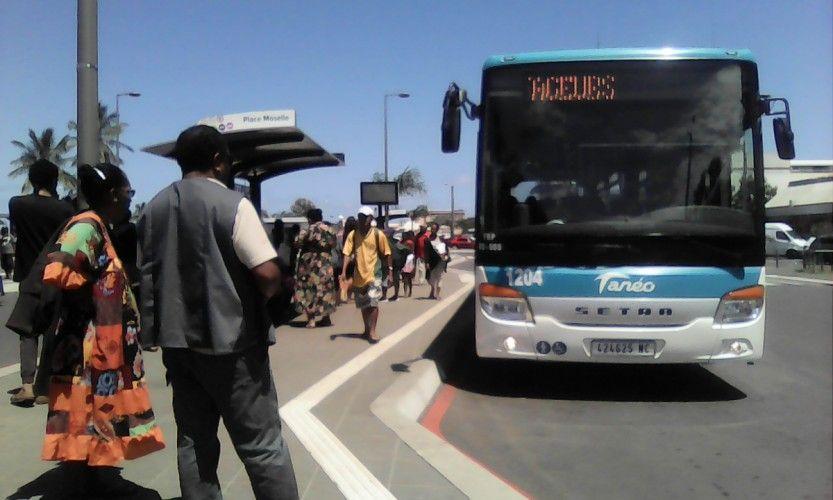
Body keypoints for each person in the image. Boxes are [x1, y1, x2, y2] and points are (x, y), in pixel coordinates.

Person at [137, 125, 298, 499]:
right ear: (218, 161)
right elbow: (267, 273)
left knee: (194, 443)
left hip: (178, 347)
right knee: (261, 447)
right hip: (234, 349)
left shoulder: (154, 208)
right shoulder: (232, 204)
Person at [39, 164, 165, 491]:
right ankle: (80, 485)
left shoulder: (101, 227)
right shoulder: (88, 226)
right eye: (128, 194)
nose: (129, 200)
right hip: (88, 347)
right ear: (112, 194)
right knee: (83, 412)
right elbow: (61, 267)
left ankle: (90, 478)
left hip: (99, 348)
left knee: (93, 414)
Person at [8, 159, 74, 406]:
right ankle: (45, 386)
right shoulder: (65, 211)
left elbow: (16, 231)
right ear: (55, 180)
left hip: (27, 272)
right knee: (51, 329)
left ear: (32, 180)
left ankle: (27, 384)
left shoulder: (17, 204)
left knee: (27, 330)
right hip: (54, 273)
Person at [340, 206, 393, 344]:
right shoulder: (353, 235)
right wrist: (344, 271)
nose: (362, 219)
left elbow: (387, 253)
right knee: (364, 304)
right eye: (360, 216)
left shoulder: (377, 234)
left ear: (371, 218)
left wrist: (390, 272)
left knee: (373, 302)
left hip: (374, 274)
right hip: (359, 275)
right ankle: (366, 329)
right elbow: (346, 253)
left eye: (365, 216)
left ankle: (373, 331)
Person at [293, 208, 337, 328]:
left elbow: (297, 243)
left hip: (309, 265)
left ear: (309, 218)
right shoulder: (330, 230)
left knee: (309, 290)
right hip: (325, 264)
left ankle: (311, 320)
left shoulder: (307, 230)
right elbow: (334, 244)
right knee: (325, 290)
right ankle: (326, 318)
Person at [426, 223, 450, 300]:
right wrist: (426, 262)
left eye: (434, 229)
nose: (432, 230)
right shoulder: (428, 239)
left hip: (440, 262)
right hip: (431, 262)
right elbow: (426, 252)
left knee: (439, 278)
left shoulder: (441, 240)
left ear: (437, 230)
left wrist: (446, 257)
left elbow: (446, 250)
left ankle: (437, 294)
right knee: (430, 279)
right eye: (431, 228)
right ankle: (432, 291)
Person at [339, 216, 358, 302]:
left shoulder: (344, 234)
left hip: (345, 258)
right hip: (354, 257)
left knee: (349, 274)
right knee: (354, 277)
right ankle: (347, 287)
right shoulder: (355, 233)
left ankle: (348, 296)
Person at [388, 233, 411, 302]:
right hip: (399, 265)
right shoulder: (403, 247)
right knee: (401, 279)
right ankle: (400, 293)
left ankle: (399, 294)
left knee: (400, 280)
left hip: (399, 265)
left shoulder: (398, 247)